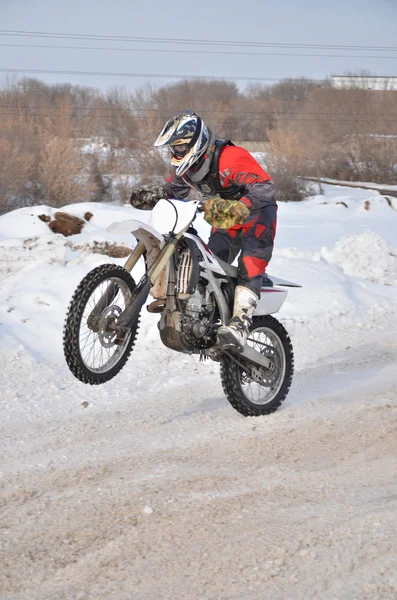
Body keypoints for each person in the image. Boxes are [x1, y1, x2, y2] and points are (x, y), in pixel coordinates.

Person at [130, 109, 277, 349]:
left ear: (195, 143)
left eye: (179, 147)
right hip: (224, 215)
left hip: (257, 213)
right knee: (212, 264)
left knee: (250, 263)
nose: (175, 153)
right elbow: (173, 193)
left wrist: (243, 206)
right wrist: (153, 194)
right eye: (173, 148)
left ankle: (240, 325)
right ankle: (201, 313)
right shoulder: (186, 169)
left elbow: (264, 187)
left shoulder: (230, 157)